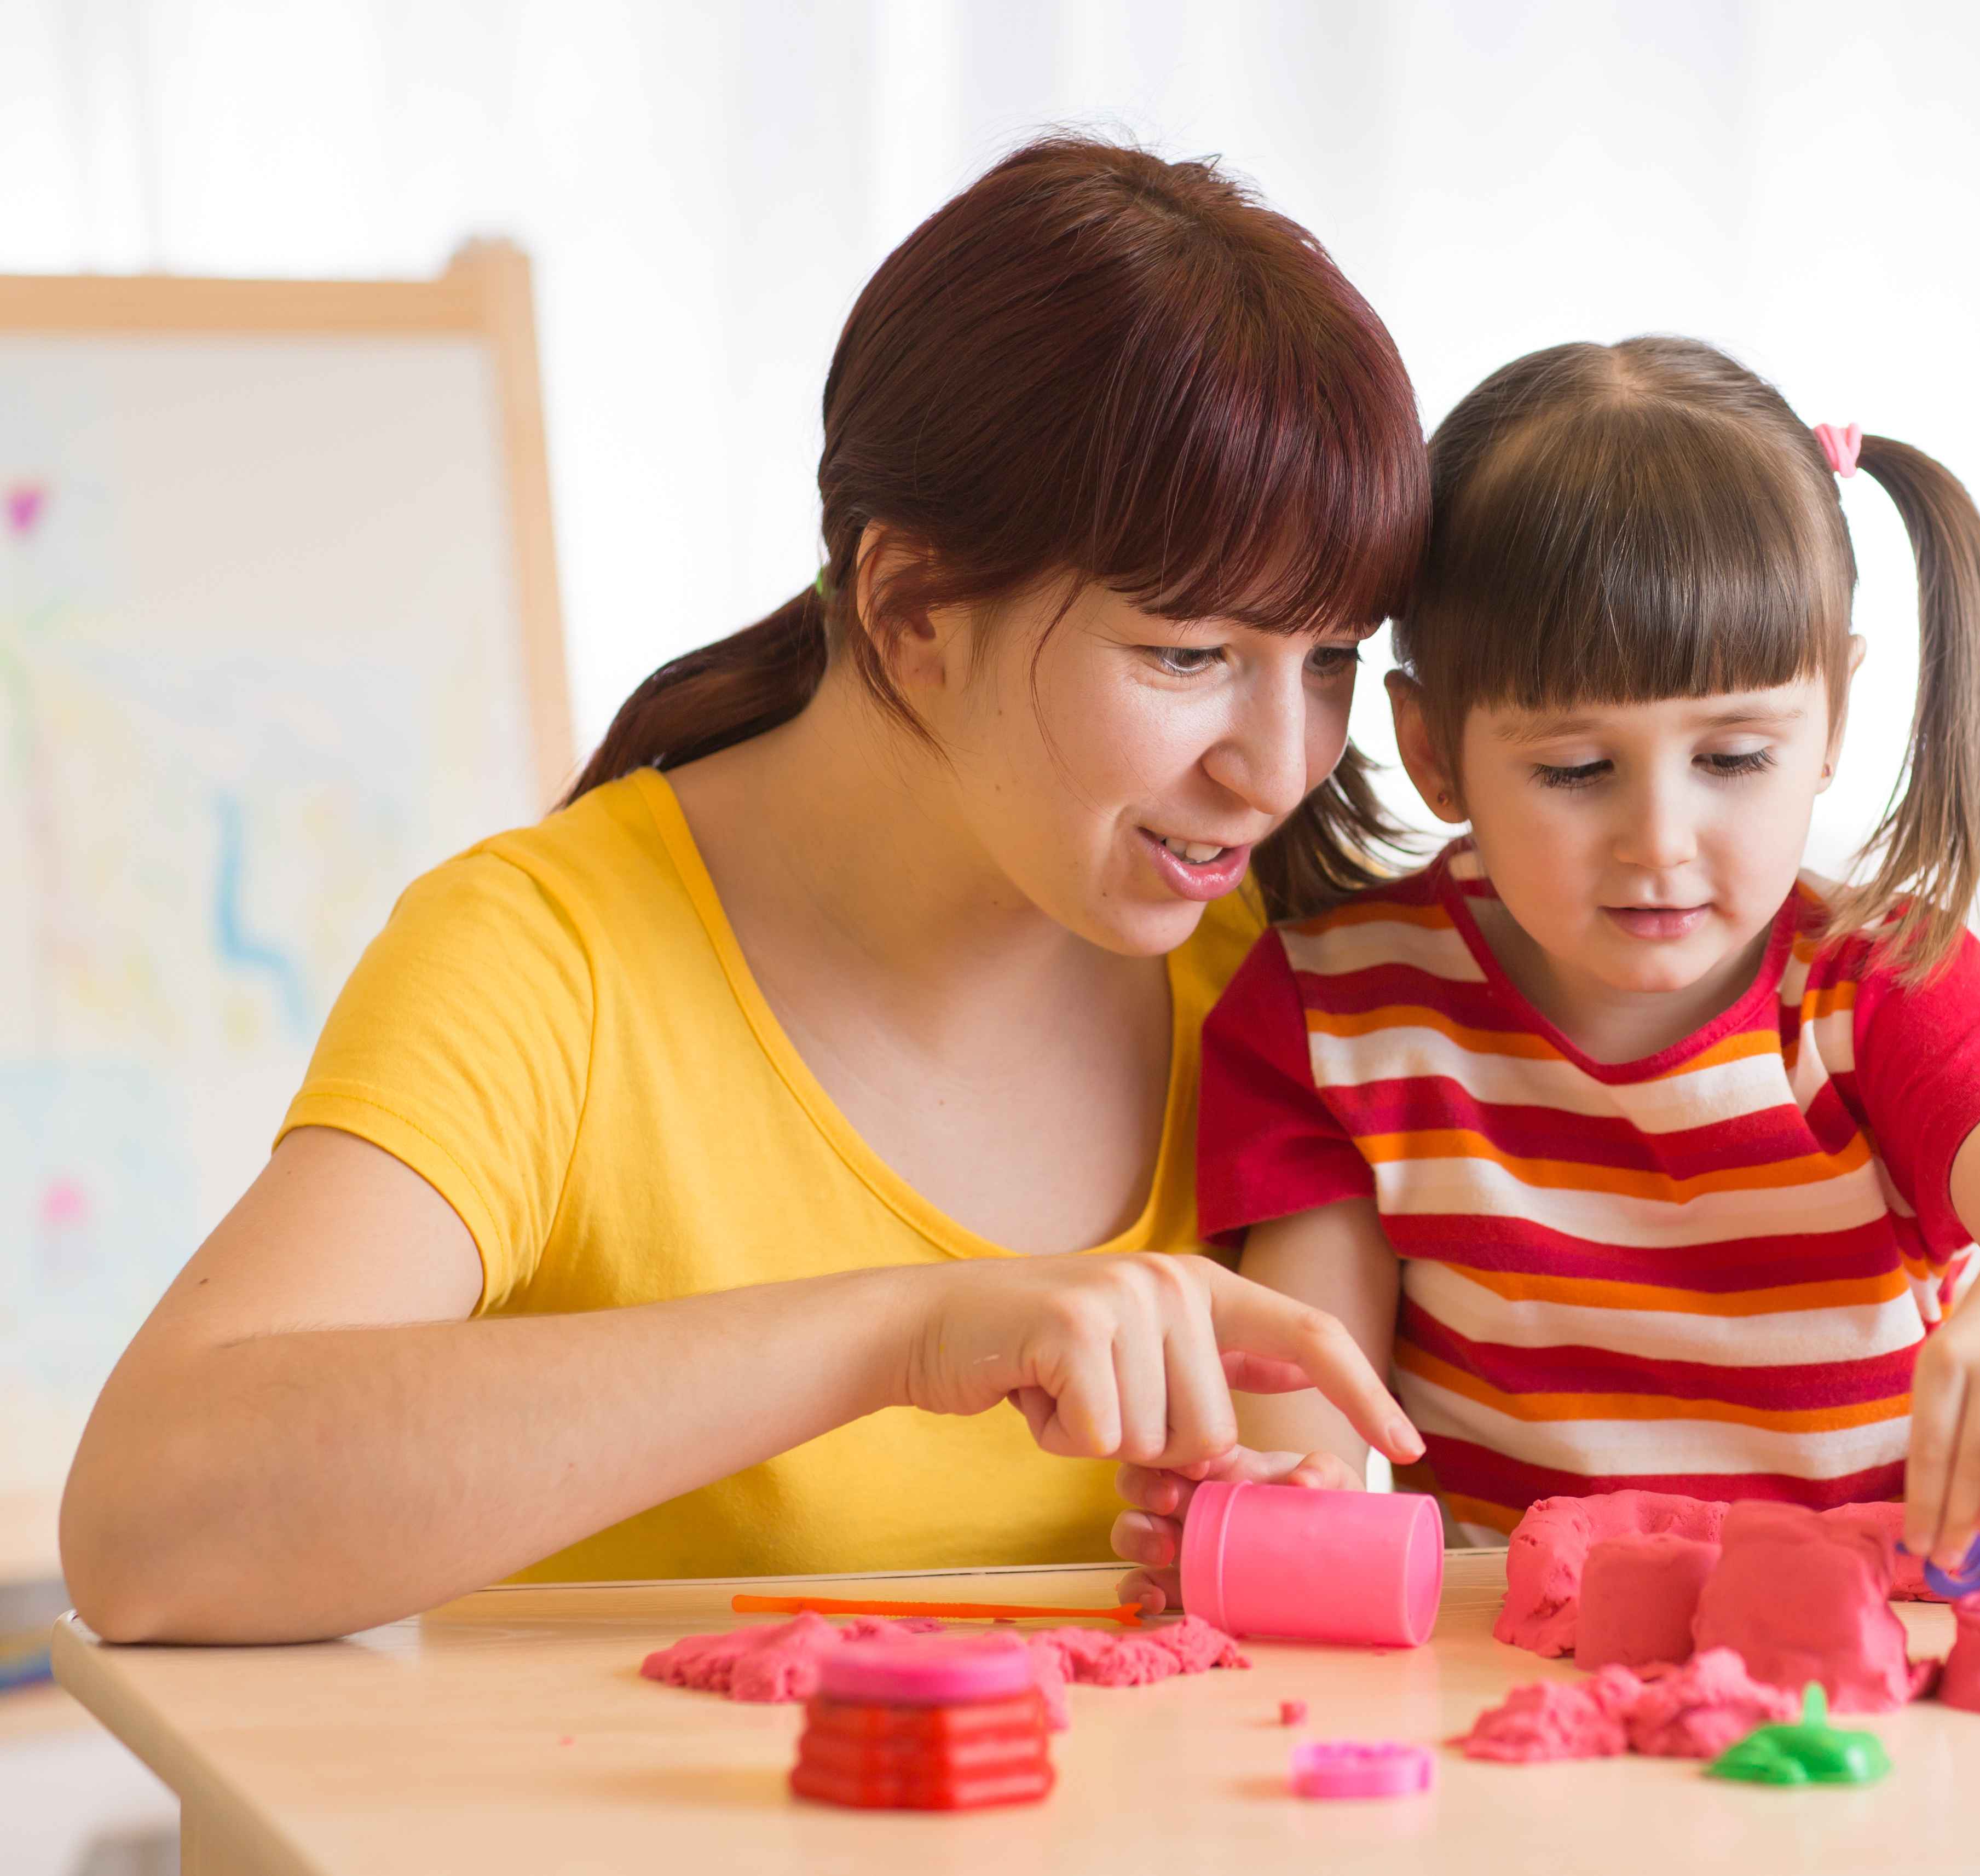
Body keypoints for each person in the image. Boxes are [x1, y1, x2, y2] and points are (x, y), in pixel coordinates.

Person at [57, 137, 1433, 1645]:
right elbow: (151, 1518)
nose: (1280, 763)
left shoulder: (1297, 976)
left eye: (1327, 662)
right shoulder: (552, 958)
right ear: (914, 612)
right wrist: (898, 1330)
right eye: (1188, 657)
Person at [1116, 338, 1980, 1636]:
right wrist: (1275, 1499)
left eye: (1730, 756)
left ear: (1830, 718)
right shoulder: (1338, 1014)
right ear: (1434, 752)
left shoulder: (1871, 984)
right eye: (1574, 771)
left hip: (1879, 1653)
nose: (1659, 839)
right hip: (1533, 1666)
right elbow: (1309, 1391)